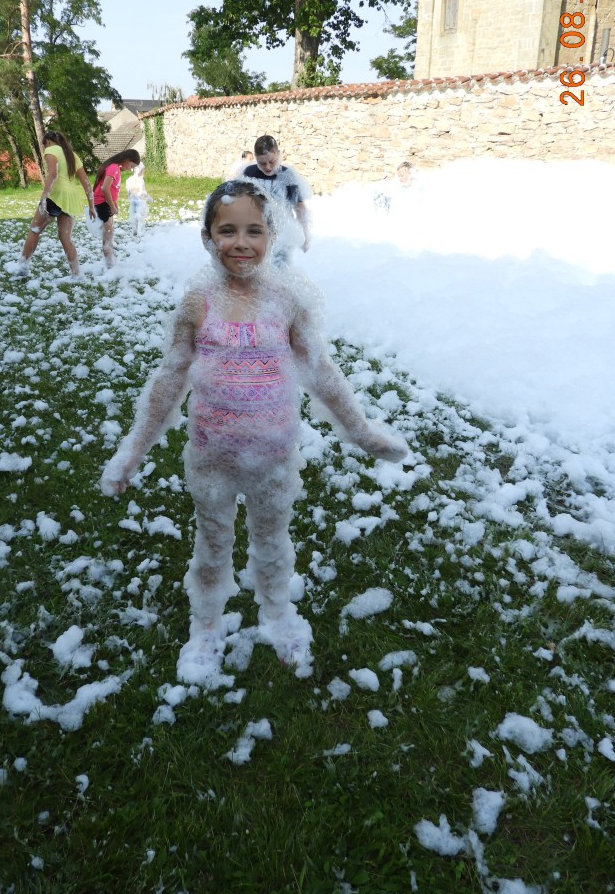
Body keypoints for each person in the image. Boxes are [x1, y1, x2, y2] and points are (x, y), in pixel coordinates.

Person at [100, 179, 409, 687]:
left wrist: (360, 430)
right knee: (211, 544)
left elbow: (322, 372)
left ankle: (277, 611)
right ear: (207, 237)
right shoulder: (198, 304)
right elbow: (169, 379)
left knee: (271, 541)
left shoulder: (286, 301)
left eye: (253, 231)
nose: (240, 242)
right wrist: (134, 449)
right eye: (227, 231)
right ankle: (206, 624)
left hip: (273, 459)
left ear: (271, 236)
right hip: (212, 458)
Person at [16, 130, 95, 278]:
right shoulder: (72, 155)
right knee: (66, 238)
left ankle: (22, 268)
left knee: (34, 230)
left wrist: (44, 197)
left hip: (56, 196)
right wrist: (91, 206)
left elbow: (53, 174)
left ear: (48, 141)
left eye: (44, 145)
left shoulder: (51, 150)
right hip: (71, 199)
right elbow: (86, 182)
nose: (45, 149)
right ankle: (77, 274)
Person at [241, 135, 312, 263]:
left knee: (281, 269)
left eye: (272, 161)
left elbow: (299, 207)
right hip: (255, 233)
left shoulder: (287, 175)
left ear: (278, 154)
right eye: (262, 163)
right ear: (256, 158)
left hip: (282, 234)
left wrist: (305, 234)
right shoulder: (249, 173)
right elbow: (240, 202)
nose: (268, 167)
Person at [93, 149, 141, 267]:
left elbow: (112, 189)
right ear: (126, 159)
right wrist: (112, 206)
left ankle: (111, 261)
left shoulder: (115, 168)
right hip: (102, 203)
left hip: (105, 203)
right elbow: (105, 188)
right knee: (108, 234)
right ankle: (110, 265)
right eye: (131, 165)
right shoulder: (113, 168)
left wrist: (114, 203)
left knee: (109, 233)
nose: (130, 169)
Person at [126, 161, 151, 237]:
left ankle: (134, 230)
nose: (143, 173)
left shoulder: (129, 180)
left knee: (133, 216)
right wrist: (148, 197)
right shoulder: (140, 181)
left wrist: (129, 199)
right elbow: (142, 192)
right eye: (142, 171)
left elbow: (128, 192)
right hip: (140, 202)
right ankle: (140, 232)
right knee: (141, 217)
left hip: (132, 201)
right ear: (139, 171)